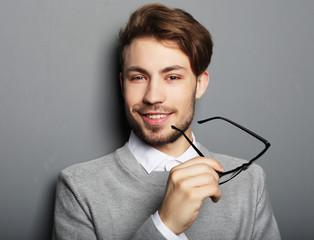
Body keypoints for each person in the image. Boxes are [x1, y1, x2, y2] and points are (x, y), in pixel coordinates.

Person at [53, 3, 280, 240]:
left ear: (200, 84)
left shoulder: (249, 182)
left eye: (172, 77)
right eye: (139, 77)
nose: (153, 97)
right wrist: (165, 225)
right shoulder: (79, 187)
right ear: (122, 85)